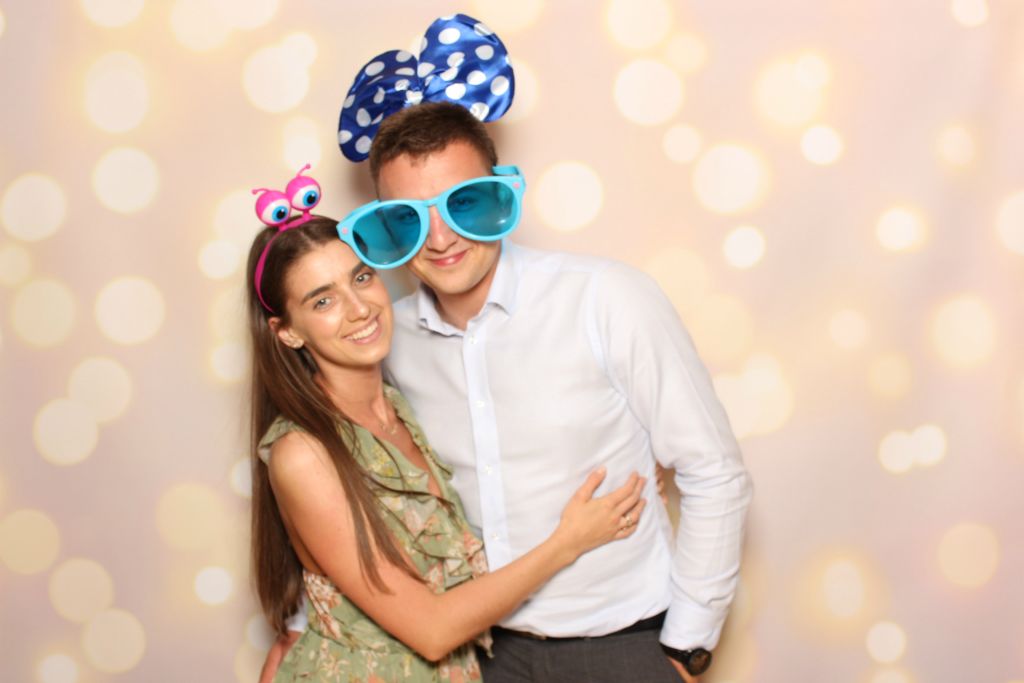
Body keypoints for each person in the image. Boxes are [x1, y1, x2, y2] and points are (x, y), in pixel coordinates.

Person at [273, 13, 753, 682]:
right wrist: (306, 625)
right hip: (481, 655)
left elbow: (713, 471)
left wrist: (687, 646)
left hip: (623, 644)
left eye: (464, 203)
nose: (441, 239)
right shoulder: (383, 340)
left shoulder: (607, 299)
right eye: (409, 218)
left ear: (499, 190)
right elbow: (361, 496)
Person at [245, 167, 649, 683]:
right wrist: (567, 542)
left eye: (361, 278)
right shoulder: (303, 452)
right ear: (287, 332)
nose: (359, 308)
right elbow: (432, 629)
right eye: (322, 301)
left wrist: (631, 456)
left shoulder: (402, 402)